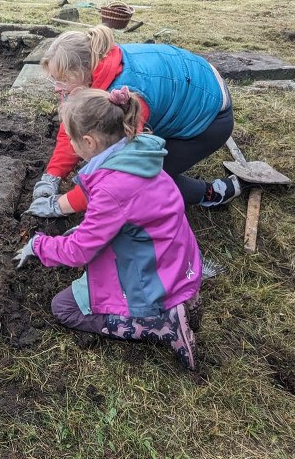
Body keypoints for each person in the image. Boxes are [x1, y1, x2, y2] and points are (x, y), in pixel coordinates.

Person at [13, 87, 203, 369]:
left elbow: (79, 252)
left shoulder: (112, 188)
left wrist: (38, 245)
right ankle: (184, 301)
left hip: (154, 277)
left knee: (63, 308)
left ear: (88, 142)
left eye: (70, 140)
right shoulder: (139, 155)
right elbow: (121, 220)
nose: (70, 146)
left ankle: (161, 323)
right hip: (179, 262)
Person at [30, 26, 239, 219]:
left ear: (84, 71)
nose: (57, 88)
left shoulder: (124, 96)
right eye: (55, 80)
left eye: (62, 80)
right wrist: (52, 175)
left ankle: (213, 193)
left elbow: (120, 173)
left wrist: (63, 205)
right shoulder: (88, 73)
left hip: (211, 115)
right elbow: (73, 128)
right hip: (189, 80)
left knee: (146, 183)